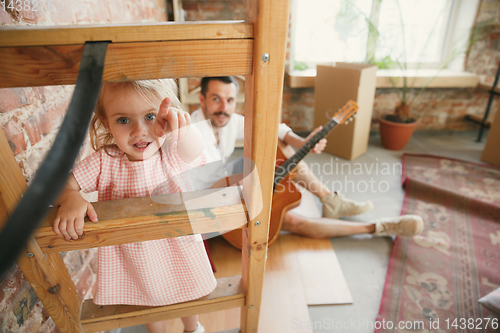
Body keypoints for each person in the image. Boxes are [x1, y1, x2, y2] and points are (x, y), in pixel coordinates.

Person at [52, 79, 211, 333]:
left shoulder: (169, 152)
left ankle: (193, 329)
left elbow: (195, 150)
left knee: (188, 293)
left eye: (150, 116)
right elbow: (61, 186)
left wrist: (184, 131)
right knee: (147, 299)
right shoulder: (105, 161)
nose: (139, 131)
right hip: (134, 257)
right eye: (123, 120)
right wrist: (71, 197)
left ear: (166, 119)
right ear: (106, 123)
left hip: (177, 247)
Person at [190, 76, 424, 238]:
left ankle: (330, 200)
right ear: (202, 100)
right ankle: (377, 227)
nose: (224, 108)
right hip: (205, 205)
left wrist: (301, 143)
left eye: (230, 100)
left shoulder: (228, 121)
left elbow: (275, 129)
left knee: (281, 146)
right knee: (291, 221)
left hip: (226, 178)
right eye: (216, 99)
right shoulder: (191, 133)